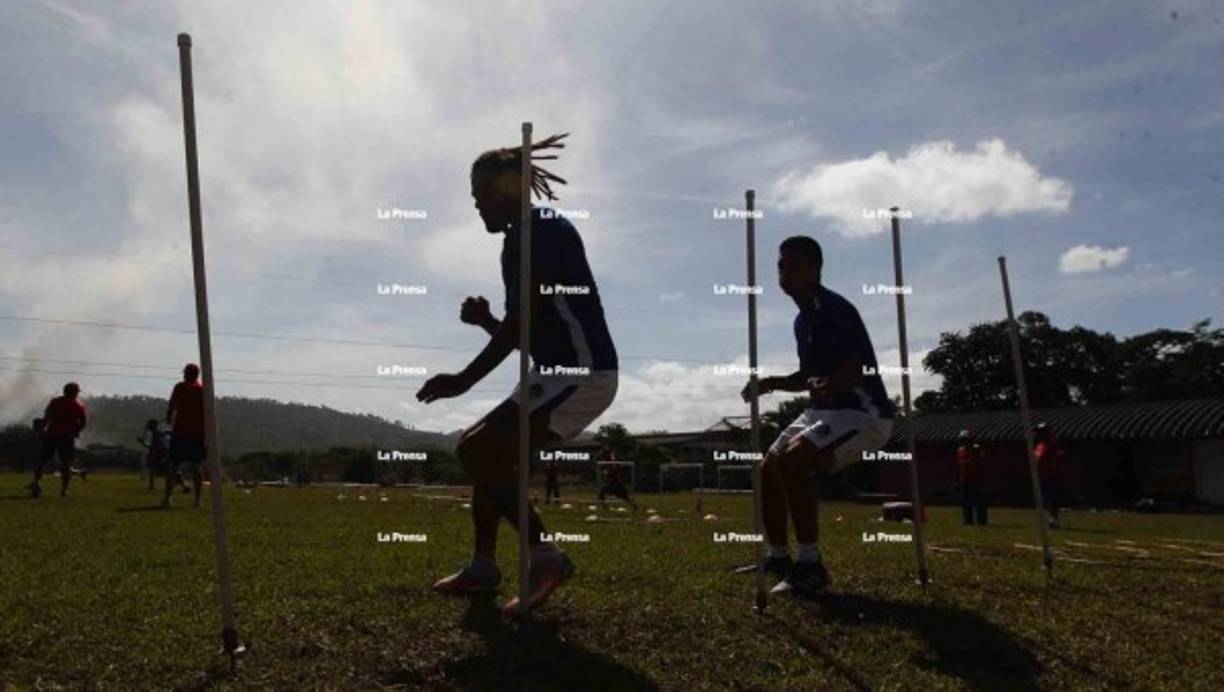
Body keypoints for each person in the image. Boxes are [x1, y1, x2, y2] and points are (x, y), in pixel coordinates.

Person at [416, 133, 618, 615]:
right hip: (552, 371)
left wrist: (463, 379)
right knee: (484, 451)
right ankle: (484, 565)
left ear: (508, 186)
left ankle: (545, 555)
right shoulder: (520, 238)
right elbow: (527, 328)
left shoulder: (539, 231)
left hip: (581, 372)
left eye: (480, 194)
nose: (477, 206)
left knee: (478, 449)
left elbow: (521, 323)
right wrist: (488, 322)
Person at [741, 236, 896, 599]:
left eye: (793, 265)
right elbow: (808, 376)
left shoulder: (836, 309)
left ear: (815, 268)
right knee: (767, 469)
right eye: (780, 266)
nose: (784, 273)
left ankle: (810, 567)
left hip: (862, 414)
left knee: (793, 462)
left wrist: (833, 383)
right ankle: (779, 558)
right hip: (824, 410)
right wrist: (772, 383)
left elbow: (860, 367)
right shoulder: (802, 320)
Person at [162, 364, 207, 509]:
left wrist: (169, 418)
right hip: (197, 434)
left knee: (173, 466)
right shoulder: (202, 390)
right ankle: (197, 499)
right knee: (197, 468)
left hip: (180, 432)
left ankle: (167, 498)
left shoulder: (180, 387)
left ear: (187, 374)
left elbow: (171, 406)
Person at [31, 383, 87, 498]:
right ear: (74, 392)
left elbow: (46, 418)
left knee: (42, 461)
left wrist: (41, 431)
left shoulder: (55, 402)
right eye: (77, 392)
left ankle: (37, 484)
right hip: (67, 437)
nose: (77, 394)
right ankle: (64, 490)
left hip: (51, 435)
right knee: (66, 464)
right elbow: (82, 422)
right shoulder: (78, 406)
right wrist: (77, 430)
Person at [1034, 422, 1065, 529]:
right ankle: (1049, 519)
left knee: (1053, 499)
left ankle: (1054, 520)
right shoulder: (1039, 445)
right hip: (1041, 476)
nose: (1038, 435)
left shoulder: (1053, 444)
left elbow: (1060, 457)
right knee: (1045, 499)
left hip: (1052, 476)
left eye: (1041, 432)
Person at [955, 429, 988, 526]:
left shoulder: (977, 449)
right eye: (963, 440)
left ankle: (982, 521)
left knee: (979, 501)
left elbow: (980, 463)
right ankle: (968, 520)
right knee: (966, 502)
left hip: (976, 479)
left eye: (967, 440)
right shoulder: (960, 451)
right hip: (965, 480)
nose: (965, 442)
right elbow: (959, 466)